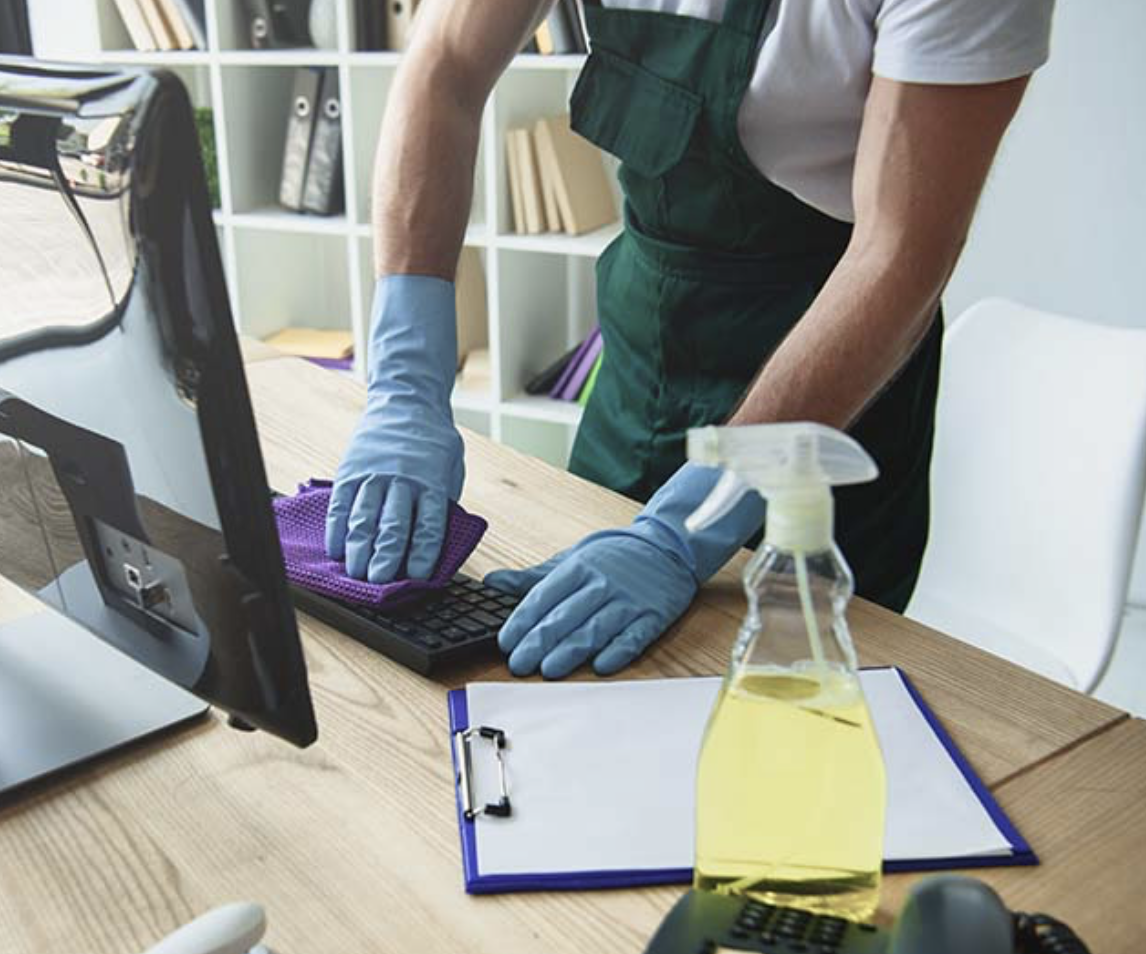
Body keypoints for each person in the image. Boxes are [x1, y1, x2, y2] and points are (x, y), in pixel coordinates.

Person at [326, 0, 1053, 678]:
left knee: (781, 730)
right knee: (555, 695)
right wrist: (405, 382)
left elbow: (901, 254)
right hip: (641, 359)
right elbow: (444, 64)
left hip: (824, 394)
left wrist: (691, 526)